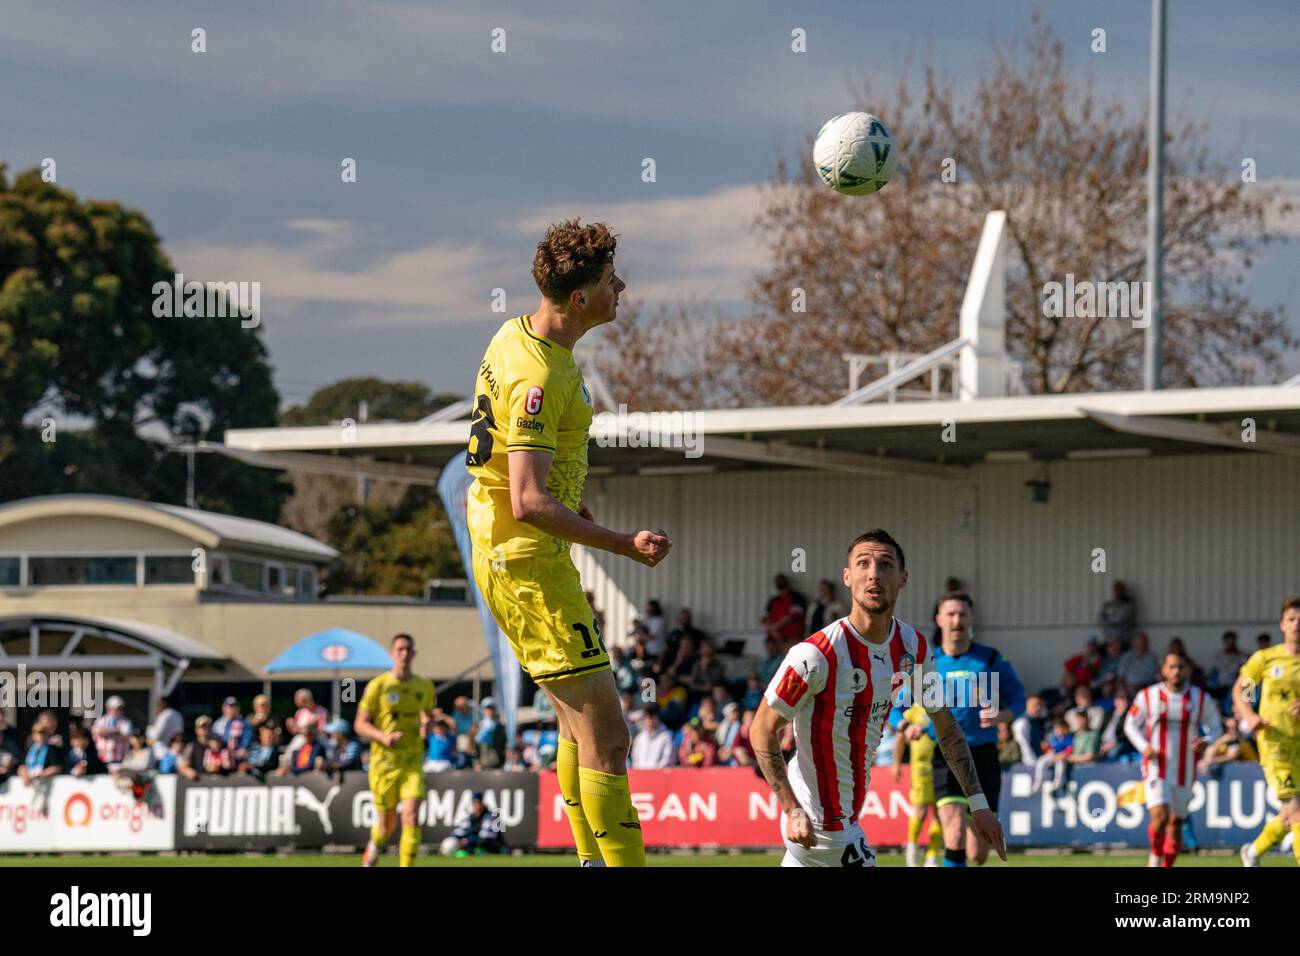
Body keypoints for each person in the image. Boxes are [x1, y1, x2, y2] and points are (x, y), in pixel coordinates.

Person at [465, 220, 672, 869]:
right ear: (580, 298)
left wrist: (560, 499)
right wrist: (622, 544)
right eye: (611, 281)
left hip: (515, 557)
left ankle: (589, 859)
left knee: (576, 729)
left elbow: (510, 470)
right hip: (527, 564)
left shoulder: (515, 336)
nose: (623, 288)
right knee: (609, 741)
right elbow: (527, 501)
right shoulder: (540, 375)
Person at [751, 530, 1005, 868]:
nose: (874, 573)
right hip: (821, 827)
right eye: (863, 564)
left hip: (846, 820)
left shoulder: (912, 648)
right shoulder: (816, 655)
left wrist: (979, 804)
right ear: (847, 577)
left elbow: (946, 727)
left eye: (885, 565)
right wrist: (791, 808)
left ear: (902, 579)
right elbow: (761, 728)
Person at [892, 588, 1025, 867]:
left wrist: (1003, 716)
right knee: (953, 836)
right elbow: (894, 704)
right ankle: (956, 837)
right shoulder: (927, 663)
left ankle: (971, 826)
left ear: (972, 619)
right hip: (945, 756)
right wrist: (905, 726)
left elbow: (1019, 698)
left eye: (962, 614)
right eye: (950, 614)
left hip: (984, 755)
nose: (957, 620)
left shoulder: (990, 660)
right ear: (939, 619)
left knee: (978, 853)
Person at [1125, 650, 1221, 867]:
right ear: (1163, 670)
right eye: (1171, 667)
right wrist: (1144, 746)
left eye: (1180, 667)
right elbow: (1130, 725)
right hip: (1156, 767)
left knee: (1176, 824)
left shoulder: (1200, 698)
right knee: (1159, 815)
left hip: (1185, 769)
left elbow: (1216, 727)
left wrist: (1207, 740)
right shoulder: (1147, 696)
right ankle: (1155, 856)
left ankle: (1166, 865)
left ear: (1186, 669)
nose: (1176, 671)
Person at [355, 633, 436, 868]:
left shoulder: (424, 686)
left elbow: (428, 715)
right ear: (392, 653)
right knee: (386, 827)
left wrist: (427, 725)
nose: (404, 654)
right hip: (384, 764)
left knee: (410, 816)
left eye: (408, 649)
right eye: (399, 649)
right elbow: (360, 724)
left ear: (414, 654)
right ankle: (374, 845)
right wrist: (383, 736)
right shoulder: (378, 686)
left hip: (412, 760)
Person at [1237, 597, 1300, 867]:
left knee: (1290, 814)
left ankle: (1252, 852)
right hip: (1275, 745)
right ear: (1282, 625)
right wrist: (1250, 714)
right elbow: (1244, 689)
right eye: (1292, 619)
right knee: (1297, 810)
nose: (1297, 624)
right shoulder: (1266, 658)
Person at [891, 704, 943, 867]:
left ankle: (931, 857)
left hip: (942, 766)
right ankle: (912, 851)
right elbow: (900, 736)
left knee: (940, 815)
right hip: (920, 769)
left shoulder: (944, 707)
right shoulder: (914, 709)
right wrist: (896, 763)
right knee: (919, 813)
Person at [443, 792, 508, 856]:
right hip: (475, 843)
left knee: (482, 841)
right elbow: (459, 831)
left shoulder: (491, 817)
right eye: (474, 803)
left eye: (478, 802)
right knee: (455, 841)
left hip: (493, 845)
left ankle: (482, 852)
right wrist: (455, 838)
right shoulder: (470, 818)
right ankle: (473, 851)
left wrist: (468, 839)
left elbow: (487, 835)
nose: (476, 805)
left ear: (483, 803)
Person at [762, 574, 807, 649]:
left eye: (781, 580)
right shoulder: (773, 600)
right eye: (777, 580)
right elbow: (765, 617)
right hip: (773, 639)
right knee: (772, 659)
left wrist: (775, 626)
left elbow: (794, 615)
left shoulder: (797, 597)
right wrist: (773, 630)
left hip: (792, 638)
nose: (779, 582)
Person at [92, 695, 133, 771]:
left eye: (120, 708)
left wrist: (106, 731)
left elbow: (126, 734)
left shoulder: (126, 721)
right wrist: (116, 731)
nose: (118, 710)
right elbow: (96, 731)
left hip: (120, 759)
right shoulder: (100, 720)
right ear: (109, 709)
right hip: (102, 759)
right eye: (116, 708)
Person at [629, 704, 675, 769]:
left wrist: (652, 772)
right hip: (641, 776)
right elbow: (635, 760)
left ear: (658, 718)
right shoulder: (639, 738)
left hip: (659, 776)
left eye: (652, 718)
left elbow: (668, 760)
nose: (649, 721)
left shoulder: (666, 737)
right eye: (646, 718)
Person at [1209, 631, 1248, 700]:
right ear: (1224, 642)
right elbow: (1212, 672)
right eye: (1228, 641)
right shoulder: (1218, 656)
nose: (1230, 644)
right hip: (1220, 688)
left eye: (1232, 641)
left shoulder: (1242, 656)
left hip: (1237, 687)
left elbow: (1245, 671)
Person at [1011, 695, 1047, 769]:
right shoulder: (1021, 723)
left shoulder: (1039, 721)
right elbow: (1023, 745)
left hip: (1038, 762)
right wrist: (1033, 764)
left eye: (1040, 705)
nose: (1038, 708)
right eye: (1035, 706)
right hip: (1025, 766)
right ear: (1027, 706)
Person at [213, 697, 252, 762]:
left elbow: (247, 738)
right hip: (221, 755)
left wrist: (243, 748)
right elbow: (214, 737)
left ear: (238, 709)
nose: (232, 709)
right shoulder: (218, 723)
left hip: (238, 755)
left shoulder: (244, 722)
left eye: (234, 706)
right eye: (229, 706)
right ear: (224, 708)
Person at [1099, 580, 1137, 645]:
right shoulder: (1108, 604)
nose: (1118, 592)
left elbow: (1121, 620)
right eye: (1116, 590)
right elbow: (1100, 620)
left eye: (1120, 590)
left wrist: (1111, 622)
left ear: (1124, 591)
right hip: (1109, 638)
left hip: (1124, 640)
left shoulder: (1129, 604)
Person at [474, 698, 507, 769]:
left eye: (492, 708)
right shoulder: (477, 726)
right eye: (487, 708)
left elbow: (504, 745)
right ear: (483, 710)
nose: (490, 711)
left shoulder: (501, 727)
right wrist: (476, 762)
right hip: (482, 764)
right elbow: (474, 747)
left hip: (497, 764)